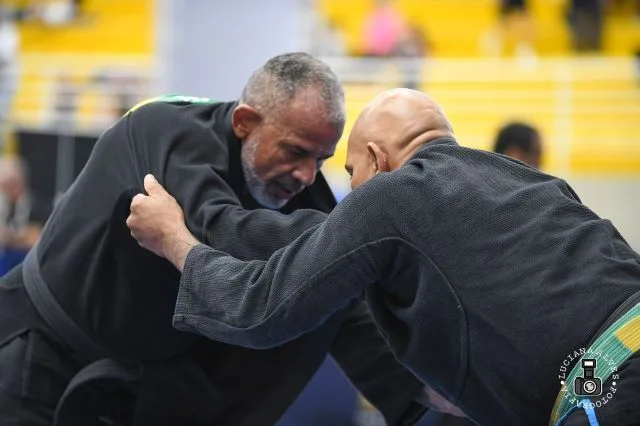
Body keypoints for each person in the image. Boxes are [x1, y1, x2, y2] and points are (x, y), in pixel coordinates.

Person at [127, 88, 640, 426]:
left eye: (349, 172)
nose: (350, 189)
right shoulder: (521, 180)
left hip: (603, 384)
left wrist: (174, 238)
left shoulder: (392, 194)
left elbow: (259, 308)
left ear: (377, 160)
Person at [0, 54, 430, 425]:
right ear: (245, 122)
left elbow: (342, 298)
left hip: (133, 389)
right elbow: (222, 230)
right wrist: (368, 237)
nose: (306, 174)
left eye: (321, 159)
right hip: (38, 353)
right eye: (295, 151)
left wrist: (424, 400)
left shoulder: (306, 193)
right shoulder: (169, 130)